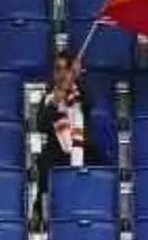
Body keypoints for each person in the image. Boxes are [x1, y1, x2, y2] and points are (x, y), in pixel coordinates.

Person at [32, 49, 109, 221]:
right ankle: (41, 212)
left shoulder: (80, 94)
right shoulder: (49, 97)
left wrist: (77, 77)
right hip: (57, 152)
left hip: (81, 149)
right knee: (44, 163)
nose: (60, 74)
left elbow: (90, 102)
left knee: (101, 162)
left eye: (65, 69)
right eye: (57, 69)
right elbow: (41, 125)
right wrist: (54, 103)